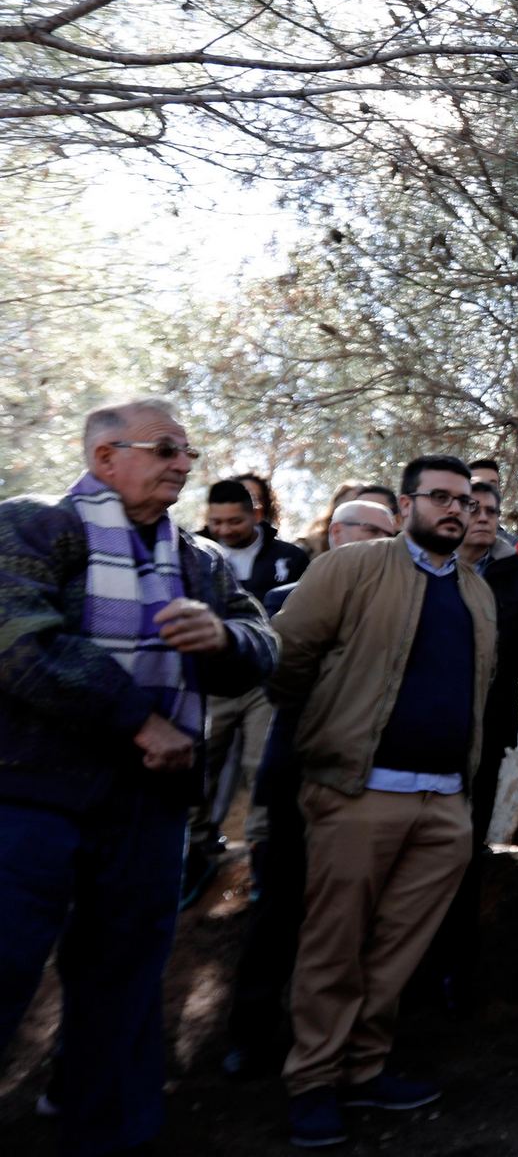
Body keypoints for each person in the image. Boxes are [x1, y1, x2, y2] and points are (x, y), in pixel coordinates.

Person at [0, 398, 277, 1157]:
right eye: (165, 450)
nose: (184, 465)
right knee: (5, 959)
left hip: (150, 803)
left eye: (188, 453)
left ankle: (108, 1132)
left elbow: (265, 642)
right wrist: (136, 719)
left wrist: (223, 637)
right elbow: (19, 642)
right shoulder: (29, 524)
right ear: (104, 459)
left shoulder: (201, 560)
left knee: (123, 975)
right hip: (28, 795)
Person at [269, 456, 499, 1149]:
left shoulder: (475, 593)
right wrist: (326, 739)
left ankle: (364, 1071)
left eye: (466, 500)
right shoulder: (351, 568)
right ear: (406, 507)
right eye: (440, 497)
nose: (455, 509)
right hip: (356, 792)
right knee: (334, 944)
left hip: (443, 805)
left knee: (397, 950)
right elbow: (286, 660)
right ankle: (313, 1080)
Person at [222, 500, 396, 1081]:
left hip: (366, 789)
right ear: (336, 532)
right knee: (277, 912)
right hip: (296, 778)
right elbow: (285, 688)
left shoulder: (401, 610)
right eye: (367, 530)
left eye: (386, 534)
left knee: (352, 921)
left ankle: (333, 1043)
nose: (377, 541)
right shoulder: (282, 599)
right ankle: (249, 1035)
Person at [417, 479, 518, 1012]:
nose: (483, 518)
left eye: (492, 511)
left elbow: (512, 657)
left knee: (465, 849)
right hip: (426, 730)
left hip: (485, 728)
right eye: (475, 508)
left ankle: (454, 970)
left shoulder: (512, 575)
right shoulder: (424, 569)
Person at [184, 476, 312, 905]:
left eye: (234, 520)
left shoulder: (290, 557)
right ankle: (196, 848)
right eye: (216, 521)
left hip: (265, 682)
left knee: (264, 767)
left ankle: (261, 852)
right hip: (210, 680)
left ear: (256, 514)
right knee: (200, 762)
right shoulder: (192, 553)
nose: (224, 529)